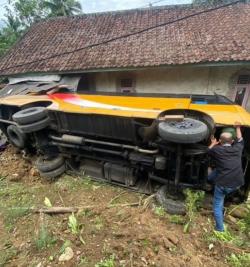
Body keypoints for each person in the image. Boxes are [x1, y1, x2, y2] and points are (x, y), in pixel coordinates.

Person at [208, 123, 244, 232]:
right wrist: (237, 127)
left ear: (219, 141)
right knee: (220, 169)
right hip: (237, 183)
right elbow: (240, 138)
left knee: (217, 205)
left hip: (223, 184)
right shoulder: (238, 148)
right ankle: (210, 179)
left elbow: (207, 151)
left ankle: (220, 229)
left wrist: (213, 143)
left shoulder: (216, 150)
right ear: (232, 142)